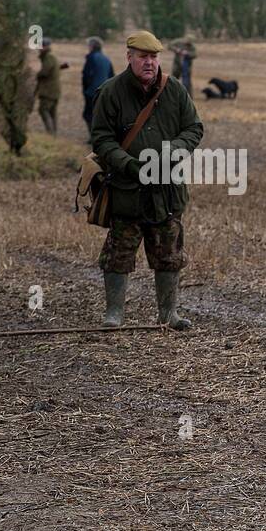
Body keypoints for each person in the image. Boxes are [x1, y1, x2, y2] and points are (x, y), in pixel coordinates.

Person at [90, 30, 204, 330]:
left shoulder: (175, 90)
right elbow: (101, 139)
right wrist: (127, 164)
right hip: (127, 189)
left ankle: (169, 314)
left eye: (154, 57)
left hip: (166, 190)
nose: (149, 62)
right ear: (129, 58)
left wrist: (174, 150)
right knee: (118, 254)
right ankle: (114, 313)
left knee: (169, 254)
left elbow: (194, 128)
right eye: (143, 57)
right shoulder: (111, 92)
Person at [81, 37, 114, 142]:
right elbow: (112, 76)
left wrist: (85, 90)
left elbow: (86, 75)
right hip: (104, 92)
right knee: (100, 116)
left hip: (92, 92)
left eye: (88, 45)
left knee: (88, 115)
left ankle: (93, 138)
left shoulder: (91, 57)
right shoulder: (107, 59)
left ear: (91, 46)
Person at [35, 38, 68, 135]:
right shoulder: (51, 57)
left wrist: (35, 75)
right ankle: (53, 134)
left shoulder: (48, 57)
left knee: (43, 110)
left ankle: (50, 133)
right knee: (52, 113)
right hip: (54, 90)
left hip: (48, 91)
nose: (39, 49)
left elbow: (45, 72)